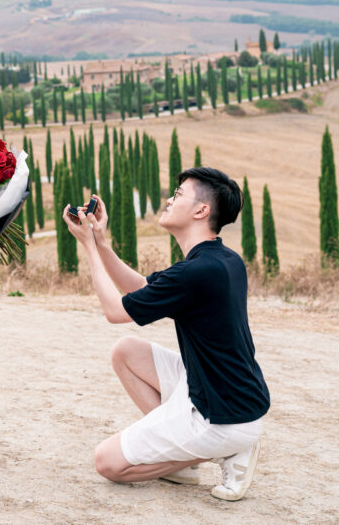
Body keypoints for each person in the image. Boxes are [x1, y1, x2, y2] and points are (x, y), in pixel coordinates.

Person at [61, 166, 270, 501]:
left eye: (178, 195)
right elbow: (143, 289)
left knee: (108, 463)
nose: (169, 201)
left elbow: (116, 311)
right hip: (226, 393)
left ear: (202, 211)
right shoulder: (220, 259)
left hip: (223, 415)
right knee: (126, 352)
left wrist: (86, 246)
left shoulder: (196, 271)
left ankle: (224, 450)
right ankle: (183, 466)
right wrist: (100, 241)